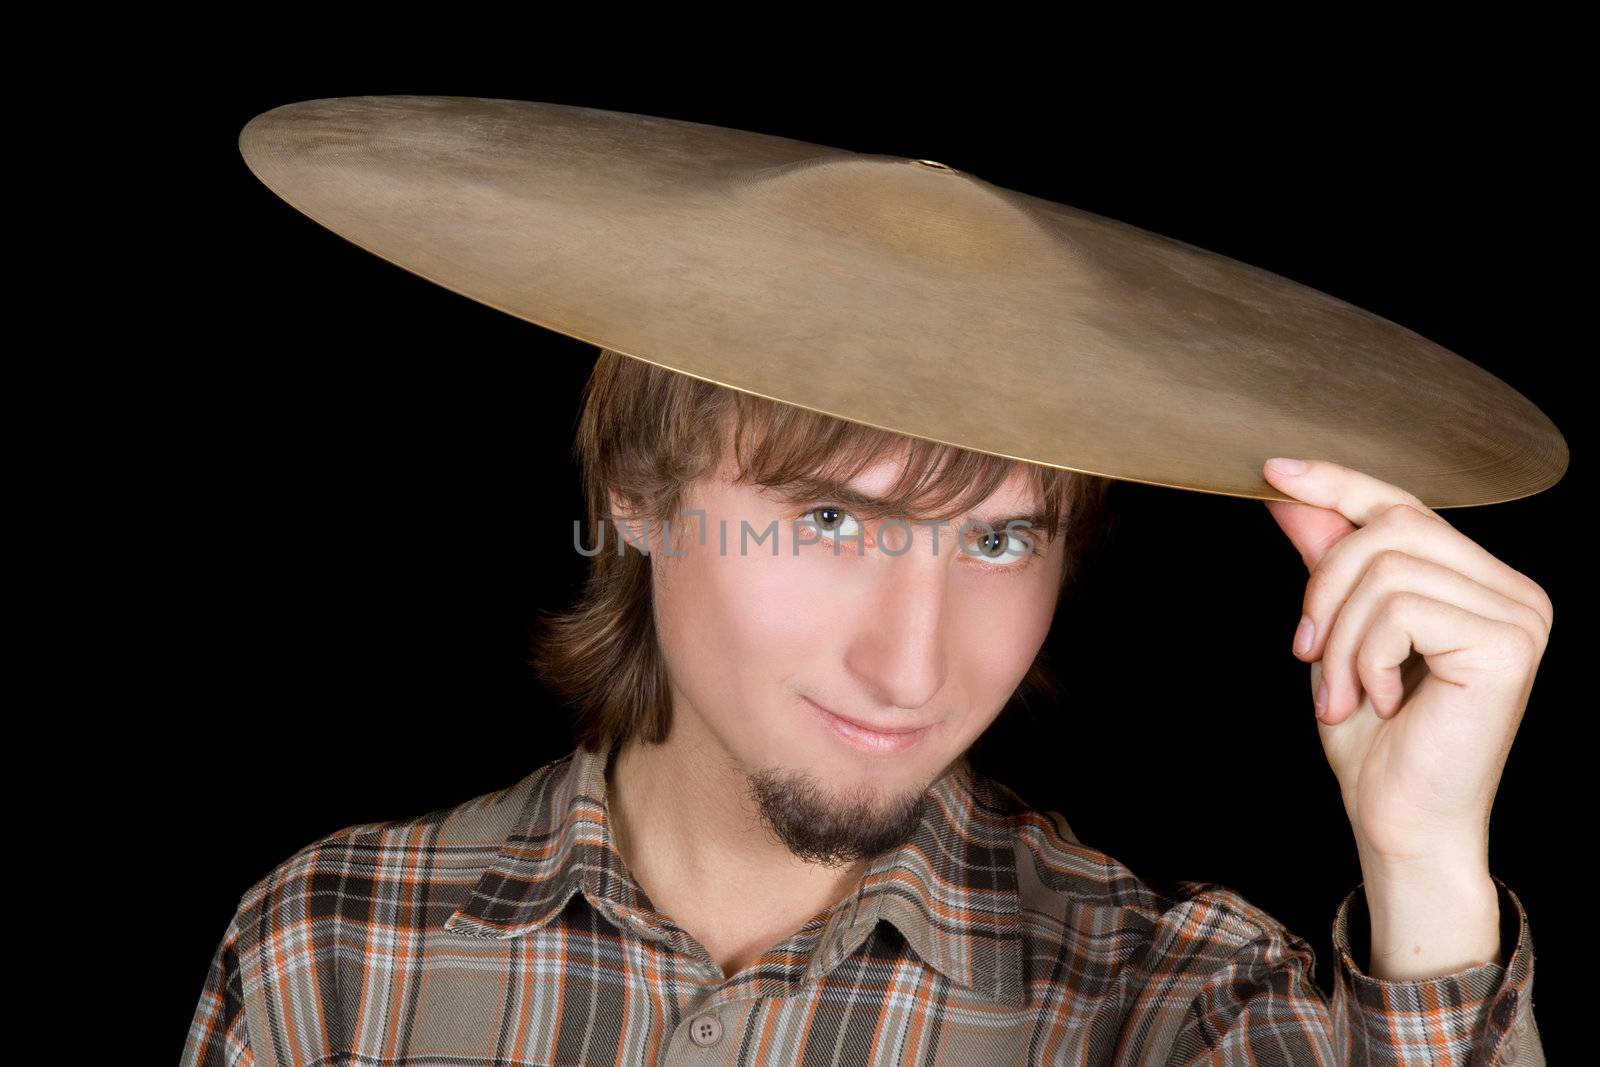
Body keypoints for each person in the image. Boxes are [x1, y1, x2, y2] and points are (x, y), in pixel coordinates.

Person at [181, 349, 1546, 1066]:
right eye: (833, 518)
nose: (912, 669)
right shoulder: (334, 954)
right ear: (636, 498)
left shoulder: (1184, 1007)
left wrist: (1424, 864)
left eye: (1003, 542)